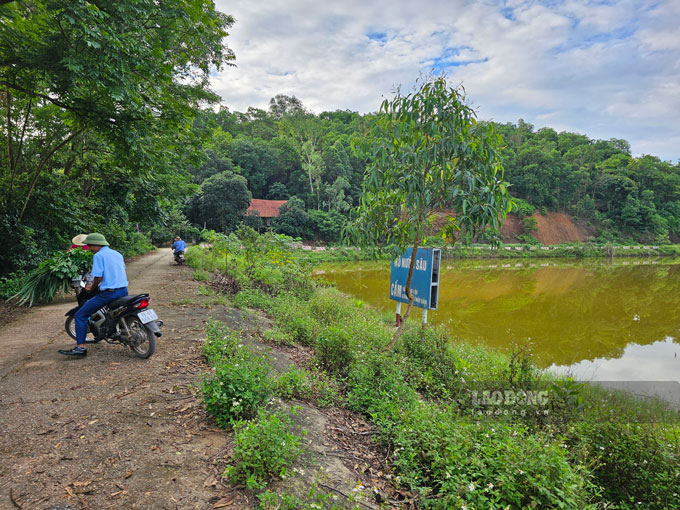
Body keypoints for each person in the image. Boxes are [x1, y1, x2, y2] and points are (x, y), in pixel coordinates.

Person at [58, 233, 128, 358]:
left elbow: (98, 276)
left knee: (80, 315)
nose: (89, 248)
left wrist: (92, 287)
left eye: (90, 245)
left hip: (109, 294)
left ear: (96, 245)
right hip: (123, 290)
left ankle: (80, 348)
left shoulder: (98, 255)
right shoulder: (117, 254)